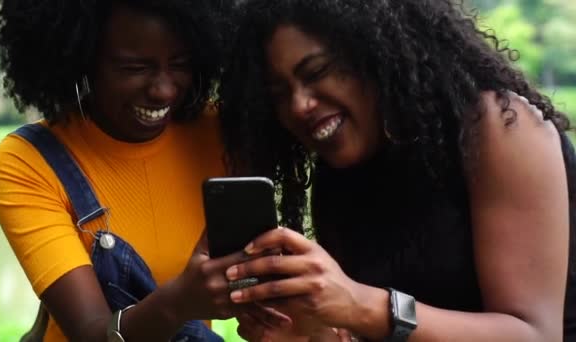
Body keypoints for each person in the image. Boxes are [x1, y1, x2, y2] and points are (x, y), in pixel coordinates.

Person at [218, 0, 576, 341]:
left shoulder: (496, 127)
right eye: (279, 94)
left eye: (317, 72)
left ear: (374, 53)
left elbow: (534, 335)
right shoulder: (339, 174)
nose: (299, 104)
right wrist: (311, 332)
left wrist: (361, 305)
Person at [0, 0, 286, 341]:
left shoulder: (223, 134)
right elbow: (90, 333)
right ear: (83, 59)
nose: (163, 90)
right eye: (134, 68)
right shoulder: (27, 161)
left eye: (180, 64)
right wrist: (180, 302)